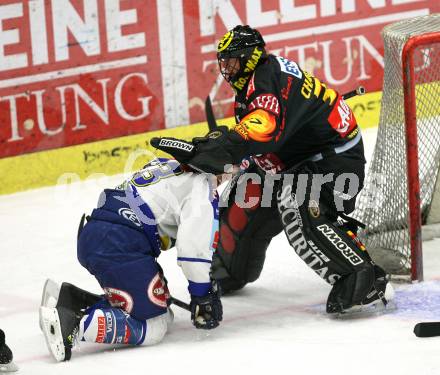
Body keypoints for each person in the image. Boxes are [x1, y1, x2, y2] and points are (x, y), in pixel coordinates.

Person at [151, 25, 394, 315]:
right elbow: (263, 143)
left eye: (232, 61)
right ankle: (229, 268)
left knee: (296, 202)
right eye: (223, 62)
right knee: (246, 191)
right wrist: (217, 161)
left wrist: (216, 146)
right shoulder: (257, 81)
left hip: (335, 163)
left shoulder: (266, 83)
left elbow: (262, 129)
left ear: (250, 58)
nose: (226, 69)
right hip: (300, 157)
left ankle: (362, 277)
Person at [40, 158, 222, 362]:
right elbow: (193, 253)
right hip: (118, 244)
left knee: (163, 313)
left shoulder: (169, 164)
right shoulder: (203, 190)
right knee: (154, 327)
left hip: (102, 235)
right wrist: (202, 295)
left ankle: (73, 300)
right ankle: (73, 323)